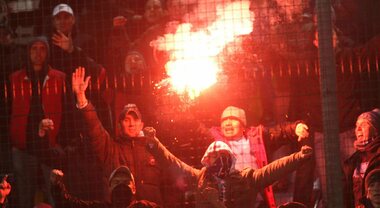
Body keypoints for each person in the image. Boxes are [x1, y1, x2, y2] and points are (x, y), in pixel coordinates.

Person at [143, 126, 313, 208]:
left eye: (224, 158)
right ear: (207, 160)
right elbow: (172, 162)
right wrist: (154, 143)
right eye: (216, 158)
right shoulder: (198, 178)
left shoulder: (247, 179)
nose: (220, 162)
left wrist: (298, 157)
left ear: (231, 161)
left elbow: (274, 169)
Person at [71, 67, 167, 206]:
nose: (131, 123)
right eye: (126, 120)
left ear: (142, 124)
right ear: (119, 125)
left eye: (135, 119)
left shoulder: (155, 149)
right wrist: (81, 97)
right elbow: (94, 127)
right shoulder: (111, 150)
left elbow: (169, 185)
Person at [209, 106, 312, 207]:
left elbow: (280, 131)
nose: (227, 123)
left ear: (243, 125)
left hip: (258, 196)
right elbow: (199, 130)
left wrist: (295, 127)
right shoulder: (216, 142)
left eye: (233, 119)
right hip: (232, 199)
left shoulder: (257, 137)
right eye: (224, 120)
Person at [9, 36, 66, 207]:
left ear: (48, 53)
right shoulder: (14, 79)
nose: (38, 53)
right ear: (28, 52)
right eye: (34, 48)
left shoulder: (59, 78)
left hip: (50, 147)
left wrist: (62, 141)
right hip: (23, 147)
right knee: (25, 197)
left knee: (55, 195)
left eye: (42, 48)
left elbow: (68, 111)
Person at [51, 166, 160, 208]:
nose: (121, 185)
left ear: (134, 188)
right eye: (116, 182)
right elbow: (70, 205)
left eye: (126, 182)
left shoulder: (146, 207)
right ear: (109, 188)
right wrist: (57, 185)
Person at [343, 108, 380, 208]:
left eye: (364, 124)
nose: (358, 129)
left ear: (375, 129)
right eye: (356, 126)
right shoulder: (352, 162)